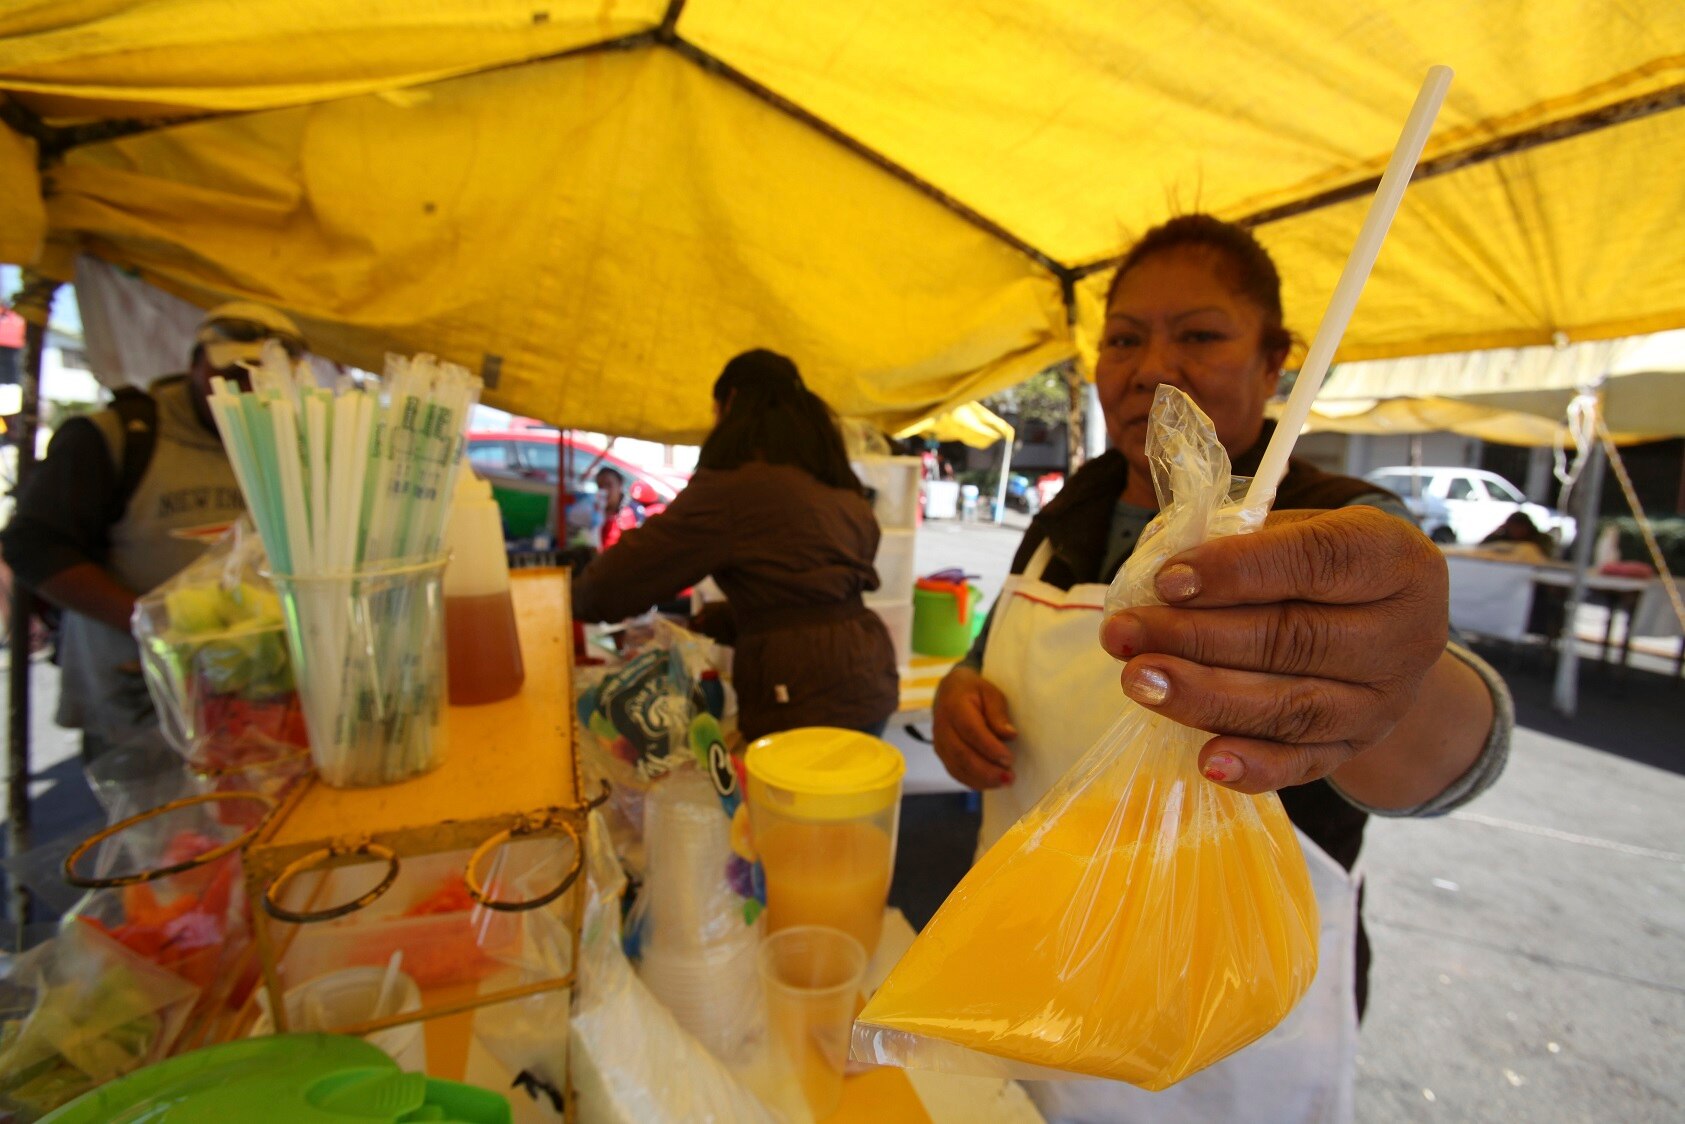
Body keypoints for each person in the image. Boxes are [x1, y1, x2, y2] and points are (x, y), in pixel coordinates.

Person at [931, 215, 1511, 1122]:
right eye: (1125, 338)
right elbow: (983, 655)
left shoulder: (1336, 522)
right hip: (1037, 982)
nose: (1151, 365)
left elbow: (1446, 753)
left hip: (1225, 1033)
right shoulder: (1065, 515)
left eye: (1198, 335)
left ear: (1273, 358)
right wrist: (960, 695)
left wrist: (1398, 680)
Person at [1, 301, 309, 763]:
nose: (249, 387)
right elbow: (32, 544)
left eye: (265, 374)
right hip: (136, 700)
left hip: (259, 699)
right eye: (233, 371)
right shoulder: (117, 435)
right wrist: (157, 628)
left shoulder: (293, 443)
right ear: (193, 364)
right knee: (156, 828)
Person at [572, 349, 898, 740]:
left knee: (795, 801)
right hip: (868, 676)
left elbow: (613, 587)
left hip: (804, 692)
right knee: (845, 800)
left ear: (732, 403)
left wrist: (566, 594)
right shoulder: (837, 487)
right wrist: (716, 621)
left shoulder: (737, 486)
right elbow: (812, 596)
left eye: (715, 414)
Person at [594, 466, 645, 551]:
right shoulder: (597, 511)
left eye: (609, 485)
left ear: (620, 485)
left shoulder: (633, 511)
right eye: (600, 486)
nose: (604, 491)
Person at [1483, 510, 1556, 560]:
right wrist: (1496, 531)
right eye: (1513, 527)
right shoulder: (1501, 538)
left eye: (1520, 527)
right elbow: (1482, 547)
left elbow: (1546, 556)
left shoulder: (1541, 539)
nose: (1517, 530)